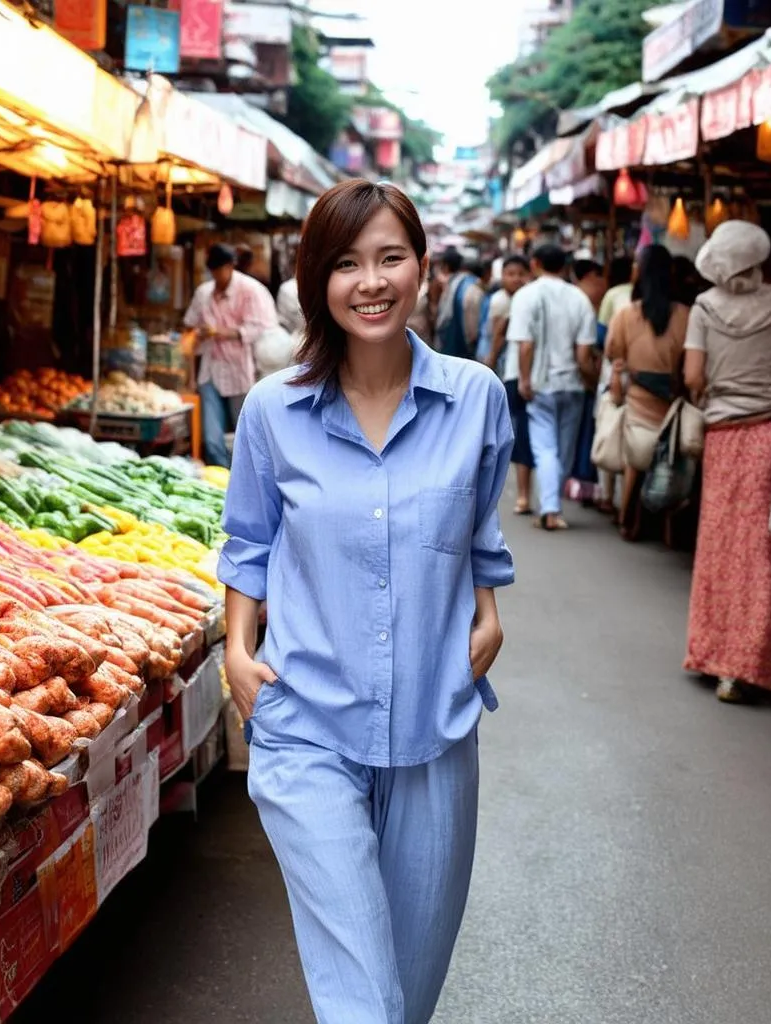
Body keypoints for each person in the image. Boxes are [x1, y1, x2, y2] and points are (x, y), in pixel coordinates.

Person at [219, 180, 514, 1023]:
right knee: (363, 995)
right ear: (317, 280)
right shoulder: (274, 411)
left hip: (435, 722)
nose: (371, 280)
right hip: (307, 720)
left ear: (423, 267)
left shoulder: (477, 398)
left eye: (389, 257)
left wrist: (490, 607)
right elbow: (249, 543)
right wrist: (240, 652)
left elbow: (479, 525)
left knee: (405, 996)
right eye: (346, 263)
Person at [683, 221, 771, 703]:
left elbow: (693, 376)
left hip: (723, 436)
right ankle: (753, 665)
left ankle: (715, 658)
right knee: (761, 551)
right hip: (769, 434)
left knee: (720, 547)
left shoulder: (704, 308)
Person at [508, 243, 598, 532]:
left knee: (545, 448)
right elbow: (584, 355)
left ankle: (550, 508)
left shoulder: (526, 295)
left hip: (541, 384)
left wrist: (524, 379)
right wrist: (590, 382)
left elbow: (525, 345)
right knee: (564, 450)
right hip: (572, 384)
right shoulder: (580, 299)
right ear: (565, 266)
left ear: (535, 264)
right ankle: (551, 508)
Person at [606, 246, 690, 540]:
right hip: (672, 404)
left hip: (638, 399)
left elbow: (613, 353)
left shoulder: (627, 315)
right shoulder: (685, 315)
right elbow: (688, 365)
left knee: (635, 459)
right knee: (668, 454)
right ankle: (667, 528)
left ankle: (627, 518)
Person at [183, 244, 278, 468]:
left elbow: (262, 329)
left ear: (230, 266)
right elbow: (189, 323)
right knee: (212, 439)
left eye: (220, 271)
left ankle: (248, 480)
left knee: (246, 435)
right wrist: (195, 337)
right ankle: (220, 482)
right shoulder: (204, 293)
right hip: (210, 371)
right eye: (212, 272)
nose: (216, 277)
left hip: (241, 371)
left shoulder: (251, 291)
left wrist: (219, 332)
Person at [485, 254, 533, 513]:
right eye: (510, 273)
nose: (515, 278)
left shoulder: (530, 297)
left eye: (519, 273)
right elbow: (497, 336)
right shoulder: (499, 301)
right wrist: (491, 360)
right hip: (509, 371)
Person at [596, 257, 635, 514]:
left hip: (616, 371)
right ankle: (625, 503)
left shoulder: (613, 296)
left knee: (609, 426)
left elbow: (602, 337)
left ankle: (608, 496)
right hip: (640, 375)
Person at [568, 259, 608, 504]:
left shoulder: (584, 302)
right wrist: (590, 377)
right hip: (583, 379)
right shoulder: (582, 303)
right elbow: (583, 354)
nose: (604, 284)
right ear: (591, 276)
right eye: (601, 278)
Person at [434, 248, 484, 358]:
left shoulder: (452, 286)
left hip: (458, 347)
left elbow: (443, 319)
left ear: (446, 267)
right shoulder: (471, 284)